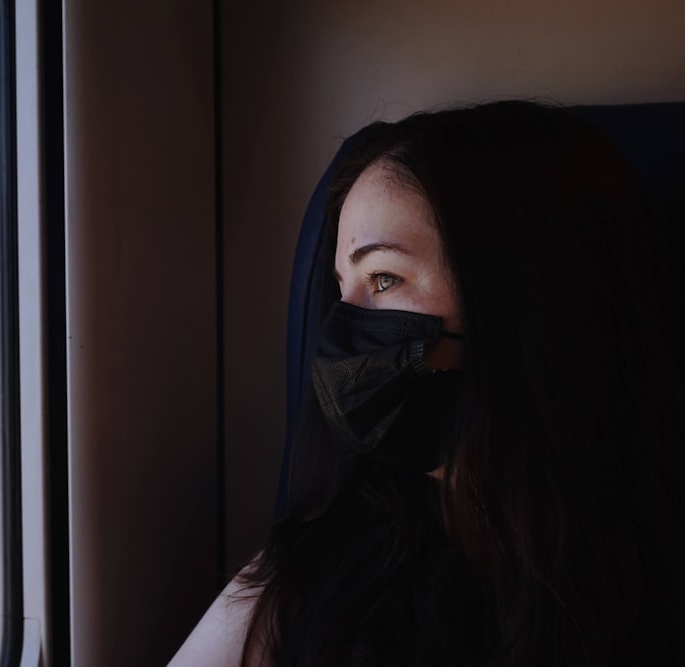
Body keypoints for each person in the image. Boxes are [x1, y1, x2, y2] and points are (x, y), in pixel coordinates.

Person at [169, 100, 685, 666]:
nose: (340, 331)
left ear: (521, 300)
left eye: (384, 277)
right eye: (343, 288)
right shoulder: (303, 586)